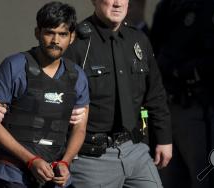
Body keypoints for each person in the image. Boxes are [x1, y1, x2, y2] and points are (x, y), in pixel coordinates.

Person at [63, 0, 172, 187]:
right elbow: (55, 95)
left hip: (135, 149)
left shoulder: (138, 39)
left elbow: (155, 93)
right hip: (92, 157)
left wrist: (164, 139)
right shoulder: (76, 43)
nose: (117, 3)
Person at [0, 1, 89, 188]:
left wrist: (65, 162)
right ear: (37, 33)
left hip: (55, 173)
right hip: (13, 172)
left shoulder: (77, 76)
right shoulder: (14, 66)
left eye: (63, 34)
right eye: (50, 32)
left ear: (72, 37)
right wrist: (31, 160)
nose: (56, 41)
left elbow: (80, 128)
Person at [150, 0, 214, 188]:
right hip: (166, 110)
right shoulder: (166, 7)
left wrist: (187, 70)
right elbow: (154, 51)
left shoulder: (210, 8)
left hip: (196, 109)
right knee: (169, 179)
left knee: (203, 176)